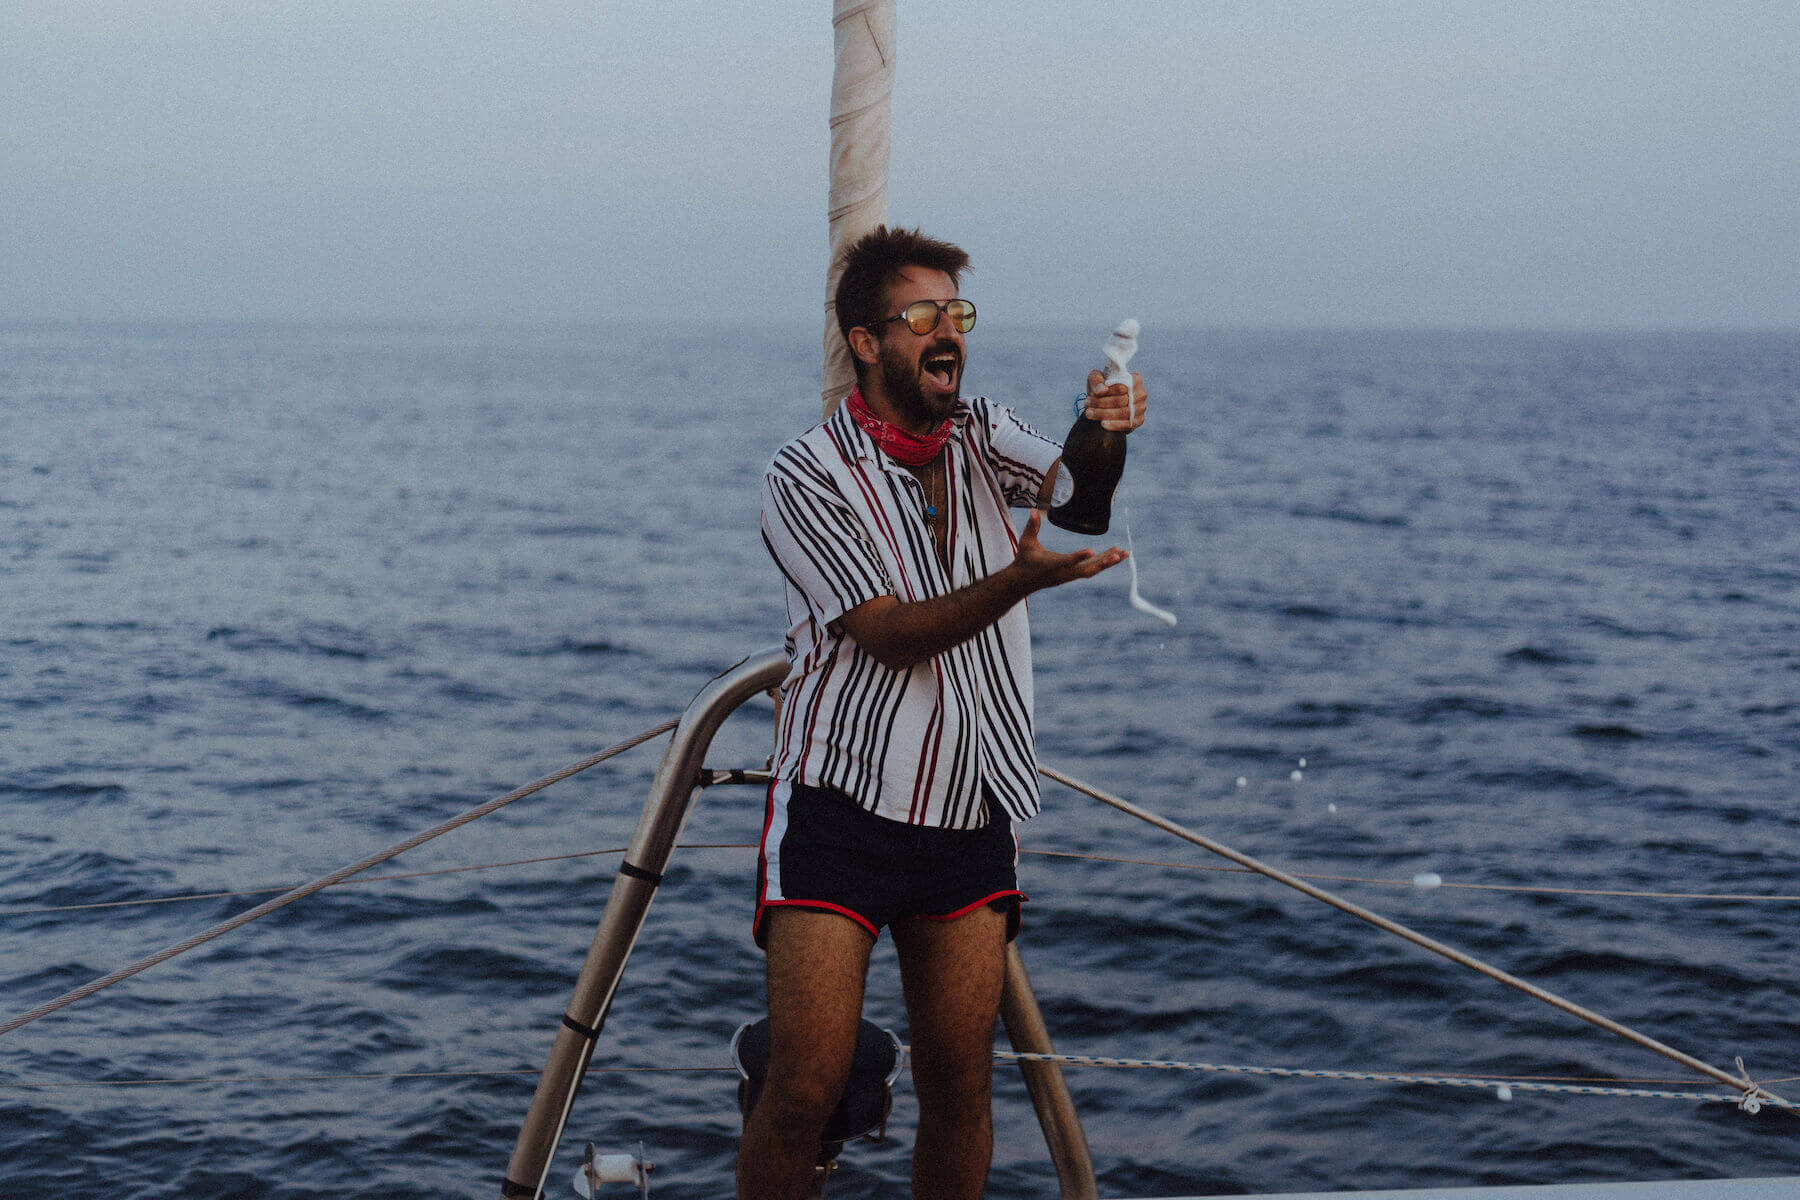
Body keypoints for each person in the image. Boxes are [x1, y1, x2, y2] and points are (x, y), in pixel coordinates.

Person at [741, 226, 1147, 1200]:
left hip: (969, 809)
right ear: (867, 339)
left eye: (956, 313)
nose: (948, 332)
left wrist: (1105, 431)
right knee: (805, 1089)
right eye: (922, 315)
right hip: (841, 807)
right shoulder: (803, 477)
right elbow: (887, 634)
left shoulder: (981, 431)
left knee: (960, 1084)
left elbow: (1077, 499)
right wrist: (1016, 584)